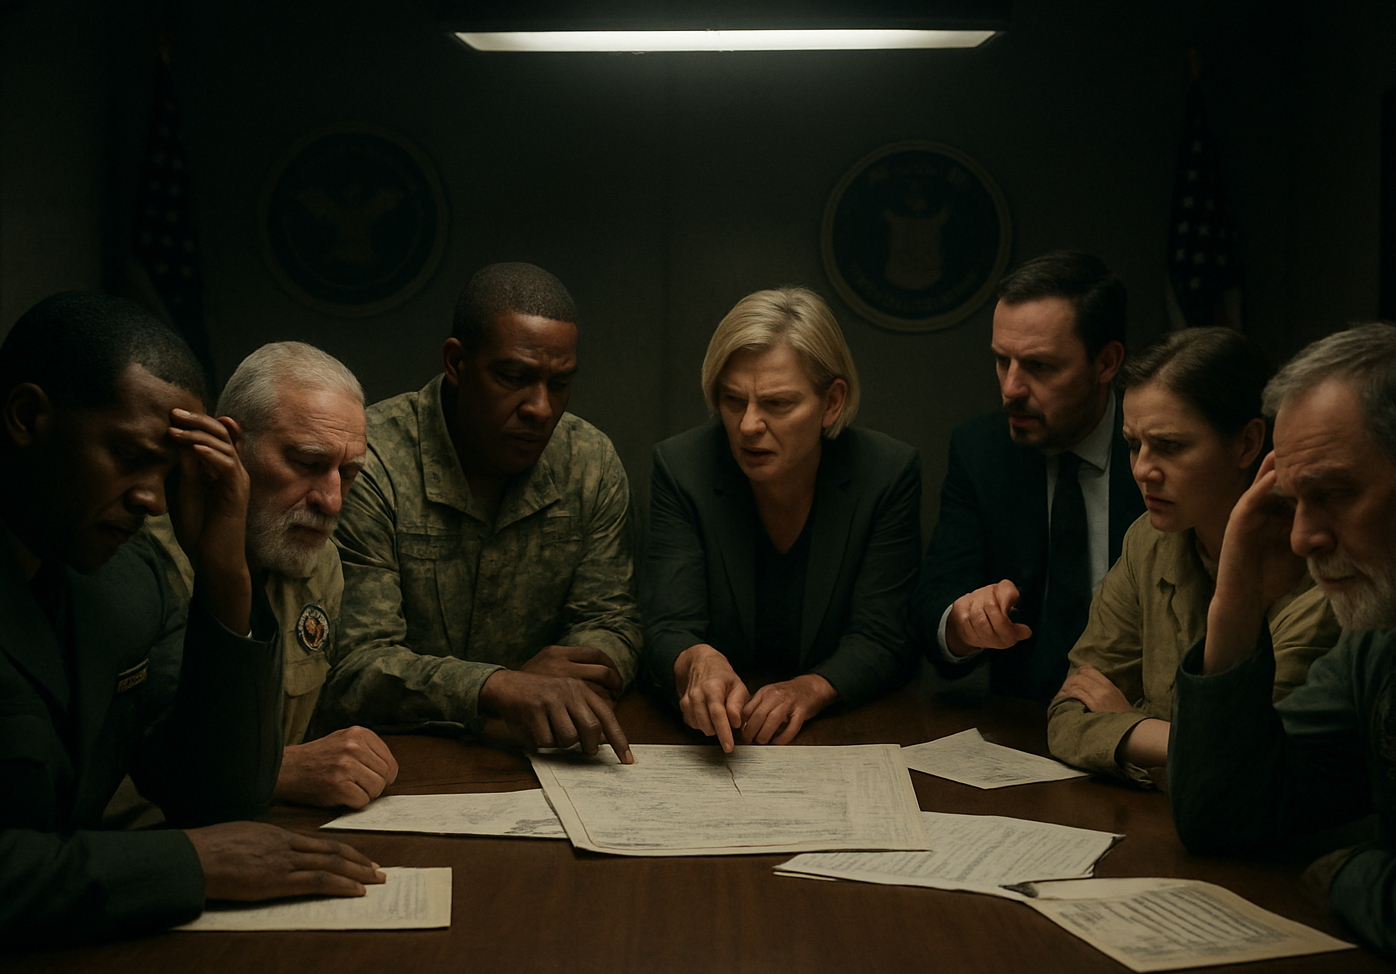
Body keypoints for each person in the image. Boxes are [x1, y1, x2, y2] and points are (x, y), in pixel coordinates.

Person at [0, 292, 381, 954]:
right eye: (131, 457)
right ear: (27, 417)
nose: (153, 499)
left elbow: (218, 800)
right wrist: (184, 865)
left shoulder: (127, 581)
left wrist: (223, 575)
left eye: (168, 471)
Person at [1169, 323, 1396, 965]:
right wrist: (1238, 601)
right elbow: (1223, 817)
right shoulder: (1386, 631)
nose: (1300, 538)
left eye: (1332, 495)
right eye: (1292, 502)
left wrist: (1345, 870)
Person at [320, 263, 640, 763]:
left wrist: (569, 681)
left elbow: (613, 620)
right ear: (456, 362)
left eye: (559, 384)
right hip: (396, 758)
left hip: (544, 754)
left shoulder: (589, 461)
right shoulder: (371, 461)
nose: (540, 407)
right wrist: (498, 685)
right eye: (514, 377)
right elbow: (355, 666)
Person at [1046, 327, 1340, 784]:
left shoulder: (1321, 573)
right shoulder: (1148, 539)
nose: (1142, 469)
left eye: (1170, 446)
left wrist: (1131, 724)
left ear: (1247, 443)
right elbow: (1068, 712)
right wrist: (1175, 741)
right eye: (1132, 444)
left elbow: (1249, 761)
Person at [643, 288, 921, 750]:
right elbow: (667, 626)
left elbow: (883, 635)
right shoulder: (682, 467)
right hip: (713, 738)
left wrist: (812, 688)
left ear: (832, 403)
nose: (749, 424)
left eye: (777, 404)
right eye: (733, 401)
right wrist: (695, 659)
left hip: (843, 731)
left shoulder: (886, 472)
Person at [134, 342, 398, 809]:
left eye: (349, 472)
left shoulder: (319, 566)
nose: (332, 501)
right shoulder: (141, 555)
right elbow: (112, 778)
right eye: (308, 464)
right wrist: (275, 771)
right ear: (231, 446)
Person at [912, 250, 1143, 701]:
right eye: (1003, 361)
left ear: (1106, 363)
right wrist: (963, 623)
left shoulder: (1157, 448)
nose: (1011, 389)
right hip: (1024, 727)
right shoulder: (982, 450)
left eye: (1039, 366)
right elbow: (932, 606)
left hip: (1146, 720)